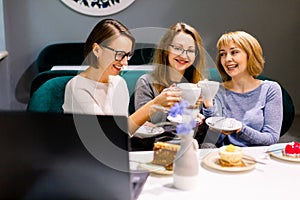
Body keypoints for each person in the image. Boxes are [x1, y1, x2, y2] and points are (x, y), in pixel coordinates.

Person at [63, 19, 181, 136]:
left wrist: (138, 124)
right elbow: (107, 134)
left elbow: (121, 130)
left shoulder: (119, 82)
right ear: (97, 50)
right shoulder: (77, 86)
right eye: (120, 54)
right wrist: (155, 104)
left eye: (127, 55)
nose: (125, 63)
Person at [202, 31, 283, 147]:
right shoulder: (216, 90)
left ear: (250, 55)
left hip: (257, 159)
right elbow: (213, 140)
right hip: (224, 157)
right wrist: (208, 105)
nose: (227, 59)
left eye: (234, 52)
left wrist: (240, 128)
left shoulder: (270, 89)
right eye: (222, 54)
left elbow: (271, 138)